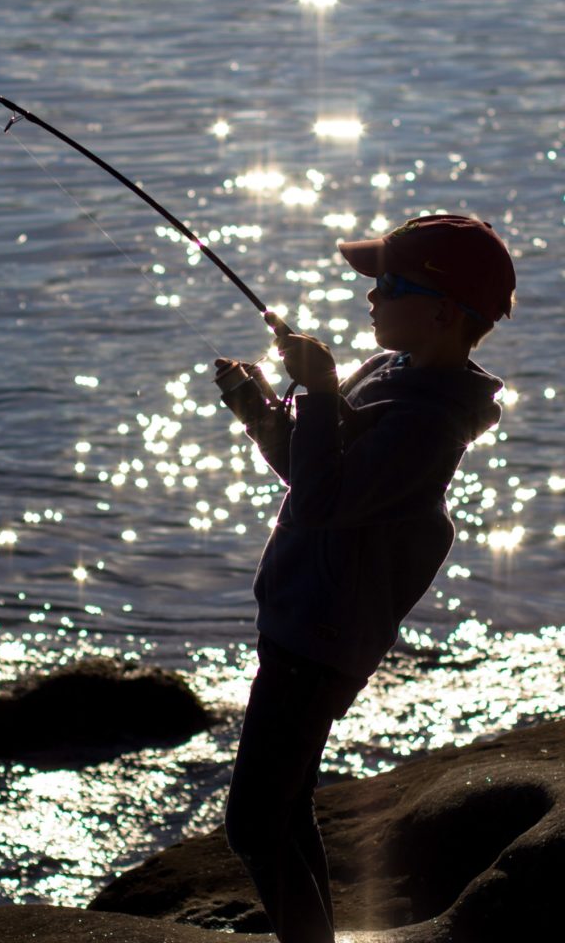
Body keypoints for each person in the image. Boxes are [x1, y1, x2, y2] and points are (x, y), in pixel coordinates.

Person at [218, 213, 516, 943]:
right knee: (285, 811)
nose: (370, 298)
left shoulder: (428, 427)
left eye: (388, 284)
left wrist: (320, 391)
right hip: (298, 620)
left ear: (443, 312)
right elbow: (313, 470)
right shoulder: (391, 372)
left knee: (253, 824)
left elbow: (321, 500)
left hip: (321, 638)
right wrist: (261, 408)